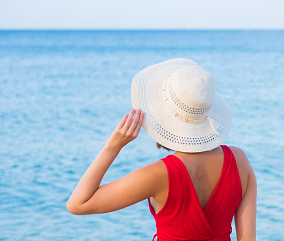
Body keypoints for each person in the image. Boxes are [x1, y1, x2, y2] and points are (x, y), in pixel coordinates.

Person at [66, 58, 256, 241]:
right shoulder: (239, 161)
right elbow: (247, 238)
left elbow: (78, 204)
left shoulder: (158, 175)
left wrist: (112, 147)